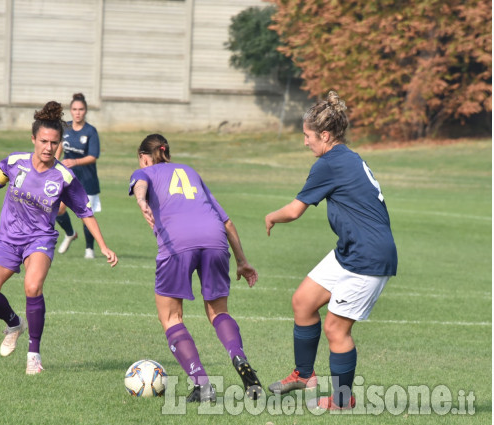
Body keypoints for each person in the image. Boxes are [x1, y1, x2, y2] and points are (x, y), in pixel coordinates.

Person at [0, 101, 118, 375]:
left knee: (33, 286)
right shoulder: (13, 163)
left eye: (54, 143)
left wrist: (103, 246)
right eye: (43, 141)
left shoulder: (64, 177)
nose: (48, 147)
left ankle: (34, 355)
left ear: (60, 144)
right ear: (33, 139)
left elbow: (85, 213)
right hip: (7, 239)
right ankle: (14, 323)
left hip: (39, 240)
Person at [265, 91, 397, 410]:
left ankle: (342, 399)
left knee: (335, 328)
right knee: (303, 301)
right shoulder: (346, 156)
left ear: (324, 135)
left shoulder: (329, 163)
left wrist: (270, 216)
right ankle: (303, 374)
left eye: (308, 136)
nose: (305, 142)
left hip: (368, 257)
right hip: (350, 250)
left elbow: (295, 211)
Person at [128, 134, 263, 403]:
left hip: (178, 243)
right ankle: (239, 358)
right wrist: (242, 261)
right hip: (214, 238)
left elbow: (141, 183)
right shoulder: (190, 171)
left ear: (144, 156)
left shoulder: (144, 171)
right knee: (218, 312)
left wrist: (141, 200)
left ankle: (202, 384)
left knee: (171, 318)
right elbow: (226, 221)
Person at [55, 93, 102, 259]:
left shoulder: (90, 131)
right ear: (71, 111)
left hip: (87, 181)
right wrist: (53, 163)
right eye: (74, 109)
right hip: (67, 178)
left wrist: (74, 162)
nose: (77, 112)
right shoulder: (65, 128)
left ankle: (89, 249)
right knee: (58, 209)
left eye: (81, 109)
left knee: (86, 215)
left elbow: (93, 156)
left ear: (86, 111)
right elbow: (59, 148)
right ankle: (70, 233)